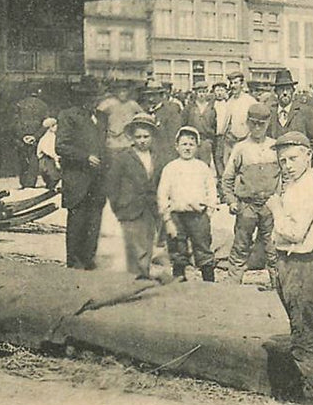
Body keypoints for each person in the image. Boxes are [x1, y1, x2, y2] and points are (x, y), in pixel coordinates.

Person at [265, 131, 313, 404]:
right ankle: (311, 391)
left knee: (304, 335)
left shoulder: (310, 188)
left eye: (293, 158)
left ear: (308, 154)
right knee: (300, 330)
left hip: (303, 265)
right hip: (290, 263)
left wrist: (275, 208)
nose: (288, 165)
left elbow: (294, 232)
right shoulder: (295, 184)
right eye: (283, 161)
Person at [222, 102, 280, 285]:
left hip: (270, 205)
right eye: (253, 123)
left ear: (268, 123)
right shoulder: (240, 148)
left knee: (273, 247)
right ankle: (233, 285)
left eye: (261, 124)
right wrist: (231, 201)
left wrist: (281, 200)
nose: (257, 128)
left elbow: (285, 176)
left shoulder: (275, 147)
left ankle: (278, 285)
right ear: (247, 122)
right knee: (241, 245)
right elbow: (227, 178)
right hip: (247, 205)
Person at [56, 77, 109, 270]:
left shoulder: (102, 117)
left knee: (94, 223)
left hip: (97, 181)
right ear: (80, 97)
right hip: (77, 179)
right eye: (88, 96)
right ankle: (75, 264)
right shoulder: (69, 116)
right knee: (77, 223)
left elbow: (104, 145)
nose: (93, 100)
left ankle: (88, 261)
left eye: (96, 96)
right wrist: (85, 157)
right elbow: (61, 146)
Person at [104, 113, 164, 279]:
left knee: (147, 244)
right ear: (132, 137)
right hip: (129, 207)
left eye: (146, 136)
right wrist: (118, 206)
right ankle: (136, 280)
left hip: (150, 208)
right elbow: (112, 184)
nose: (142, 140)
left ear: (152, 137)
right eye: (138, 137)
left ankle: (142, 278)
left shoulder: (157, 157)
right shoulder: (123, 157)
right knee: (134, 248)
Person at [159, 126, 219, 282]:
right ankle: (179, 282)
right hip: (177, 215)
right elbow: (162, 194)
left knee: (203, 249)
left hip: (198, 216)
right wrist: (167, 219)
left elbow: (211, 190)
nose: (187, 148)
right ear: (176, 146)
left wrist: (209, 211)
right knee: (178, 250)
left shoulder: (202, 167)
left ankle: (208, 283)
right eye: (184, 144)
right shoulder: (170, 168)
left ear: (197, 147)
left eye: (191, 144)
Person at [266, 69, 313, 163]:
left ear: (293, 91)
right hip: (275, 164)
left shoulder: (305, 112)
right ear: (276, 92)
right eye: (281, 89)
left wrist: (302, 157)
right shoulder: (269, 113)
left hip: (299, 166)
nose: (285, 93)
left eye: (288, 89)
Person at [221, 71, 258, 172]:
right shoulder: (229, 102)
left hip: (246, 140)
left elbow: (256, 121)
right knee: (229, 167)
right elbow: (226, 122)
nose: (233, 86)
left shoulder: (250, 101)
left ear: (242, 84)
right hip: (231, 141)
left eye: (236, 83)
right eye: (232, 83)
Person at [14, 85, 50, 189]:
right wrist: (35, 136)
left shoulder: (20, 104)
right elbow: (46, 124)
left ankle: (24, 182)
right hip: (36, 137)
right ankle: (31, 182)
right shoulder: (43, 105)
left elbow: (15, 122)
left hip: (22, 138)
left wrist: (23, 136)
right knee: (34, 159)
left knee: (22, 159)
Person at [182, 77, 218, 167]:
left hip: (206, 140)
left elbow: (214, 125)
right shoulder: (190, 107)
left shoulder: (211, 108)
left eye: (204, 92)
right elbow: (183, 123)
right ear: (196, 93)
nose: (202, 94)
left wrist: (211, 139)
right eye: (200, 92)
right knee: (191, 164)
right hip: (192, 139)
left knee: (205, 165)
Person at [144, 79, 182, 160]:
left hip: (164, 155)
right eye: (148, 95)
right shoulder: (145, 110)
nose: (151, 99)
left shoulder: (170, 111)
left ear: (161, 95)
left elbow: (174, 137)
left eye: (154, 95)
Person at [104, 80, 143, 153]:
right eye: (119, 91)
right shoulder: (108, 103)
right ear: (115, 92)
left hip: (128, 140)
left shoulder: (133, 104)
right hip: (112, 141)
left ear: (129, 92)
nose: (122, 94)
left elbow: (142, 117)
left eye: (124, 91)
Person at [36, 117, 61, 192]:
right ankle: (50, 189)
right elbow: (48, 149)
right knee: (53, 176)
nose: (56, 127)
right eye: (54, 125)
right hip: (46, 160)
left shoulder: (52, 136)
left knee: (54, 176)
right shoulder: (47, 137)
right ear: (50, 127)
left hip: (49, 159)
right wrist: (55, 156)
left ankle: (50, 188)